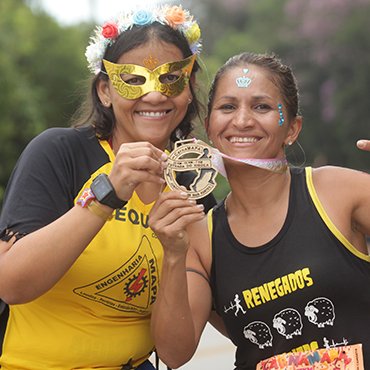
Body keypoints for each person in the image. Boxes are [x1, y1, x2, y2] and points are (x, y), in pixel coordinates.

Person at [0, 4, 216, 370]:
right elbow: (12, 284)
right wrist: (106, 195)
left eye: (170, 79)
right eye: (133, 80)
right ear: (105, 91)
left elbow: (176, 354)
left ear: (189, 90)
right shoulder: (59, 153)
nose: (155, 96)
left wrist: (176, 255)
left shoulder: (192, 186)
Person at [149, 52, 370, 369]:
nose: (241, 120)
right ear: (210, 128)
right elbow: (173, 353)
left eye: (261, 107)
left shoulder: (336, 191)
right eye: (227, 107)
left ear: (292, 129)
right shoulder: (200, 236)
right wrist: (172, 253)